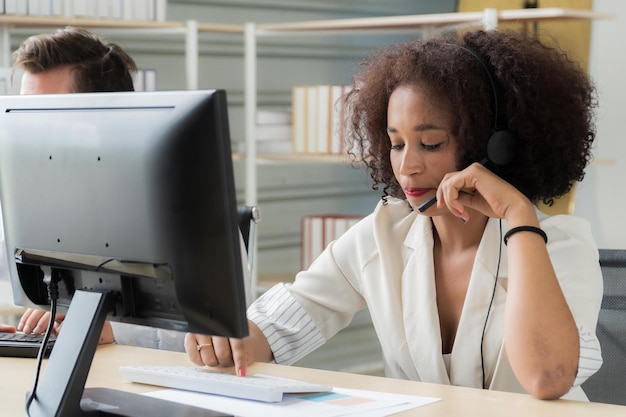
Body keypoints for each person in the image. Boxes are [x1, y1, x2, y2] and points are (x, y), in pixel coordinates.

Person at [184, 29, 604, 400]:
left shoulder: (560, 246)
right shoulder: (385, 232)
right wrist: (225, 339)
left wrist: (516, 211)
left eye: (431, 144)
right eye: (397, 143)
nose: (407, 167)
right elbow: (286, 319)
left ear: (489, 147)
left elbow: (548, 377)